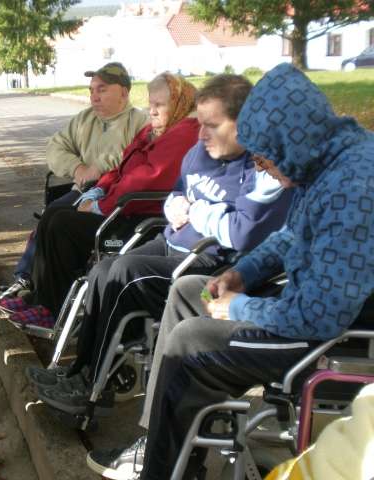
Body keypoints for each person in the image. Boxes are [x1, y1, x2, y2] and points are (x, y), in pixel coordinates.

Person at [87, 63, 374, 480]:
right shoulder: (321, 161)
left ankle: (163, 470)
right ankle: (159, 441)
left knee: (191, 341)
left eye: (264, 159)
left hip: (333, 335)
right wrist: (243, 274)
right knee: (189, 290)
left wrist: (240, 307)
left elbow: (320, 316)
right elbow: (290, 236)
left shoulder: (353, 187)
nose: (262, 169)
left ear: (289, 141)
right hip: (311, 305)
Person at [31, 73, 293, 414]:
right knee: (103, 271)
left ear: (244, 126)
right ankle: (79, 371)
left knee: (123, 275)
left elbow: (242, 233)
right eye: (200, 123)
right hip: (171, 241)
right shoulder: (200, 152)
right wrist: (176, 207)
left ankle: (91, 387)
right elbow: (176, 195)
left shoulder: (260, 167)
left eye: (212, 126)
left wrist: (196, 211)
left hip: (212, 262)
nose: (201, 134)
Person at [2, 72, 200, 326]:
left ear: (179, 104)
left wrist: (100, 205)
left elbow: (148, 180)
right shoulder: (154, 130)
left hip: (138, 222)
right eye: (150, 104)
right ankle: (41, 297)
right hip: (123, 209)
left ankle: (51, 308)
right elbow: (122, 168)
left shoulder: (183, 133)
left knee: (63, 225)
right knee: (54, 213)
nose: (152, 111)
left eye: (159, 105)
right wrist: (98, 189)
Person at [0, 62, 148, 299]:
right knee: (52, 213)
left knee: (56, 215)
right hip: (83, 189)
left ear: (123, 92)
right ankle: (28, 278)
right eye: (91, 90)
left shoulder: (140, 122)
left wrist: (98, 168)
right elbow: (55, 148)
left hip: (112, 194)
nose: (94, 97)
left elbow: (132, 158)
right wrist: (77, 168)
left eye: (102, 90)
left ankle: (39, 287)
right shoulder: (84, 119)